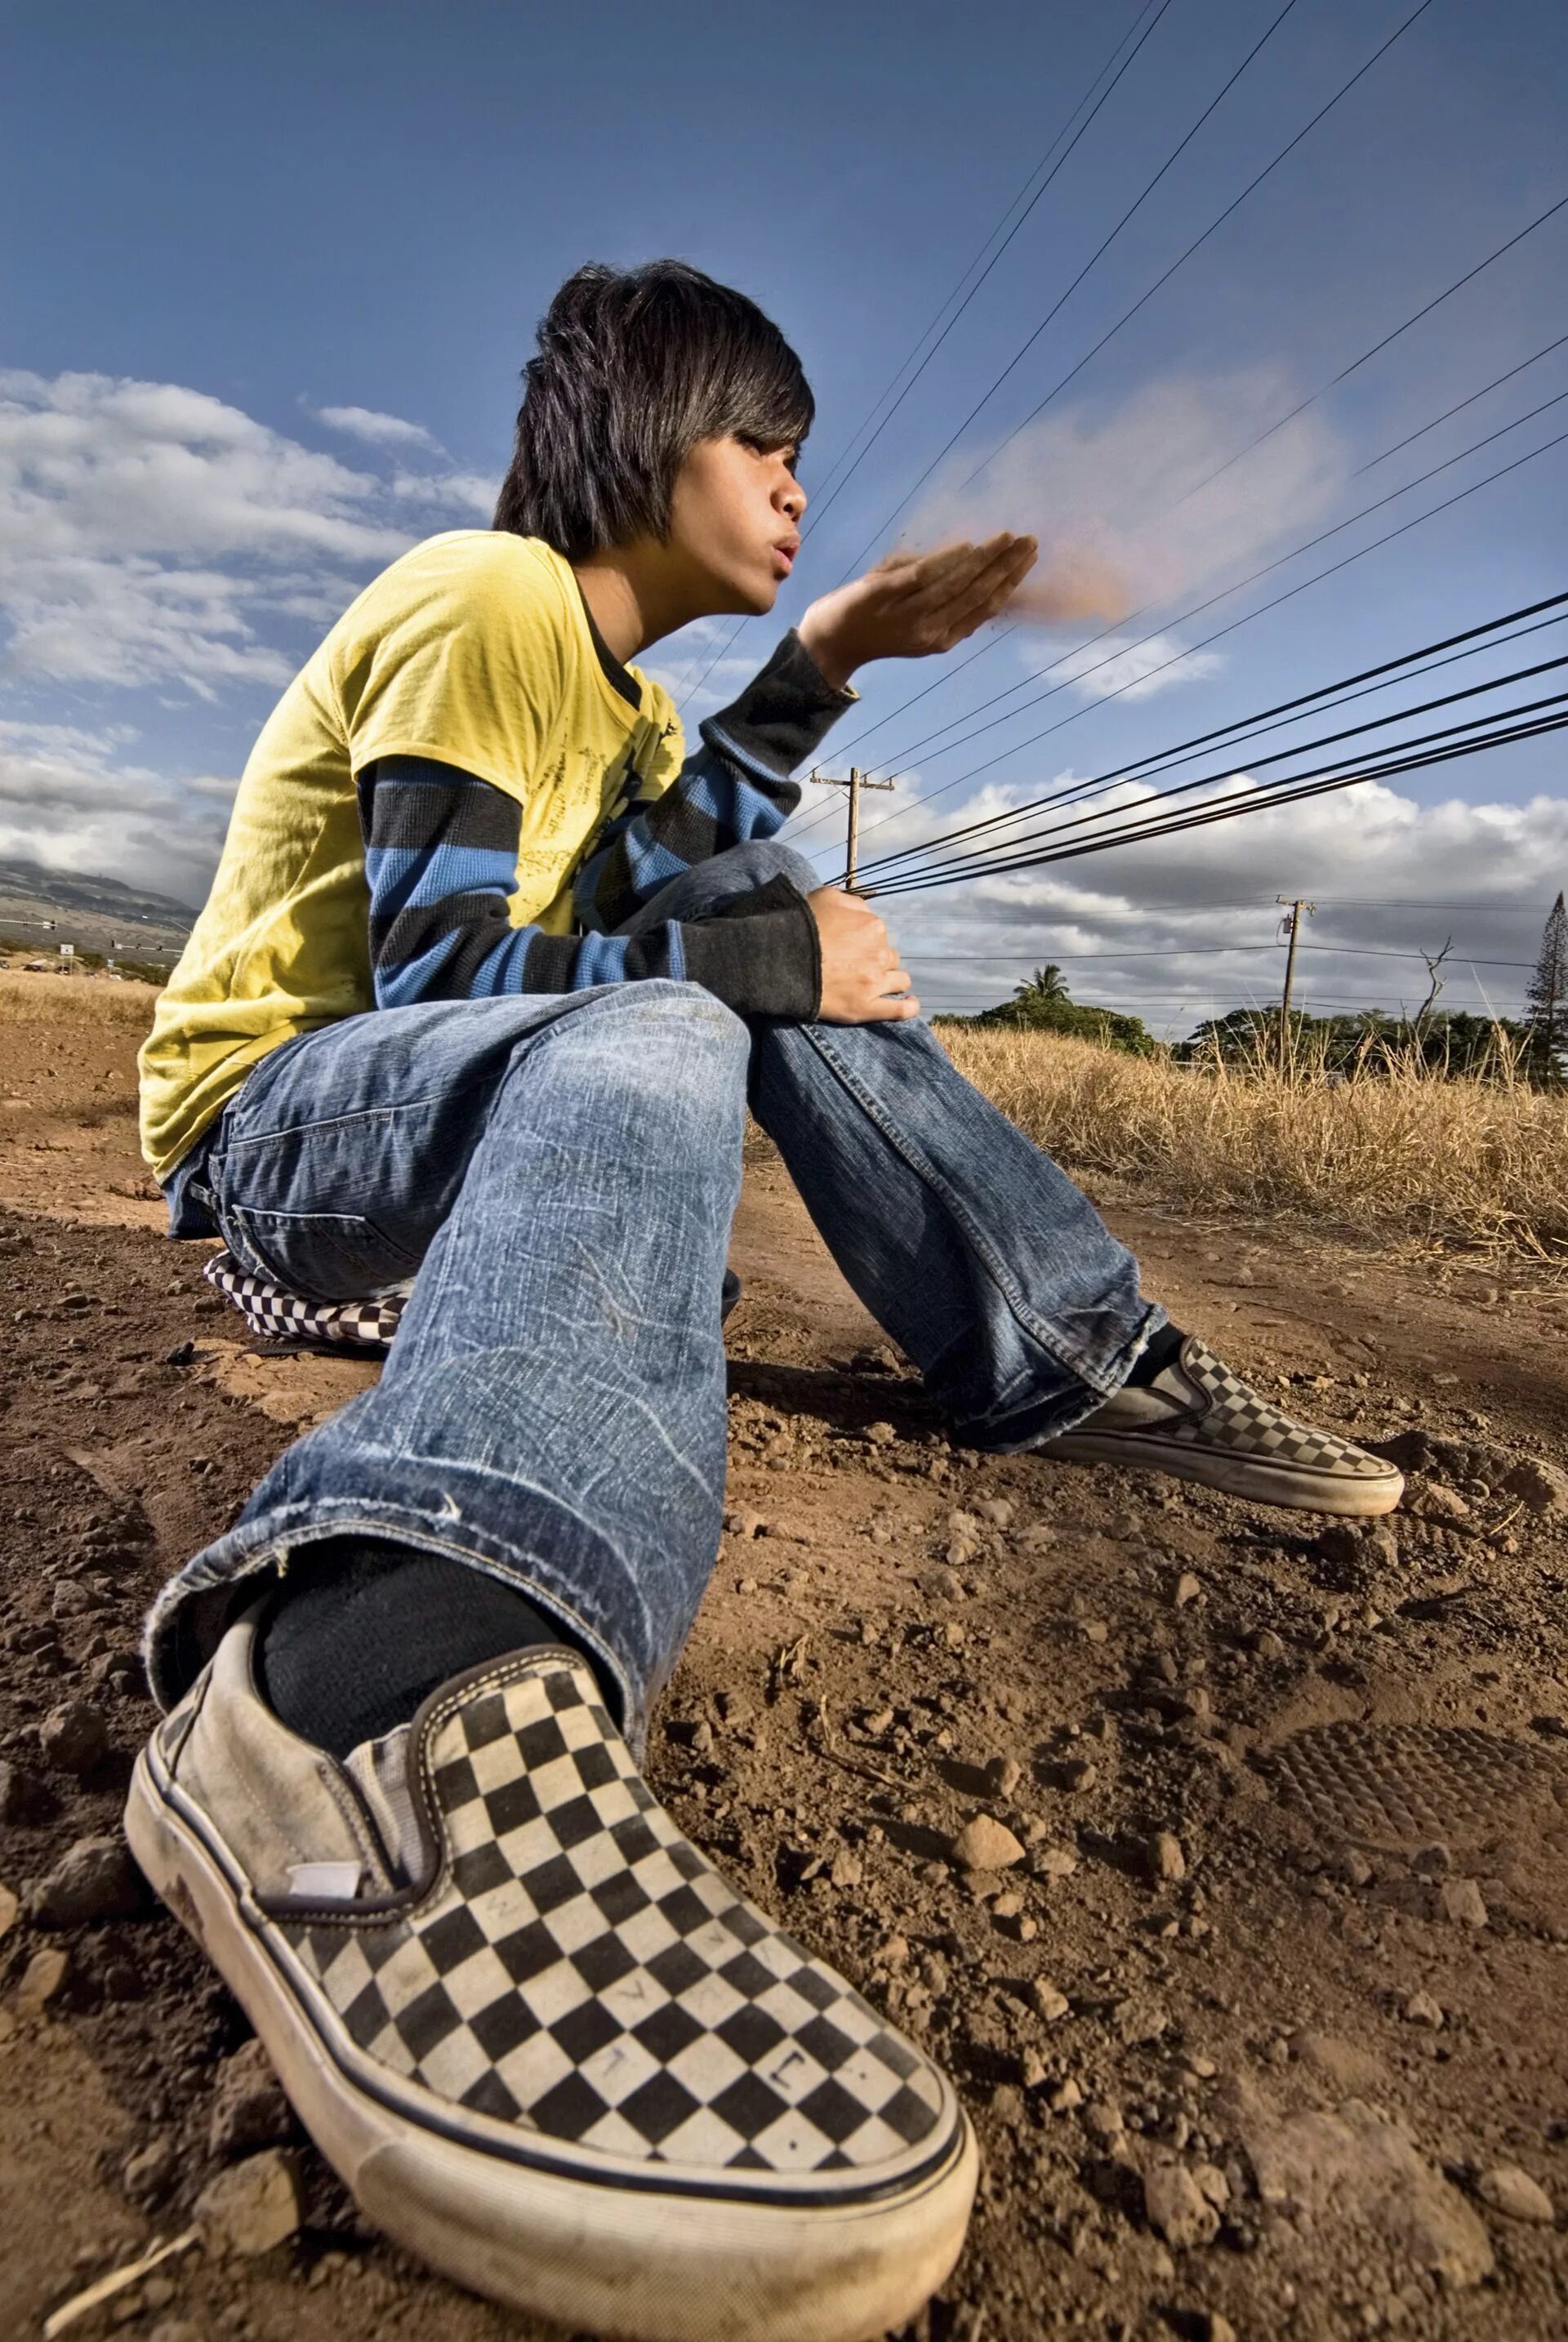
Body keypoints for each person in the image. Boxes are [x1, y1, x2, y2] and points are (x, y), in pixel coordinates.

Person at [128, 260, 1401, 2342]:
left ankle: (1060, 1350)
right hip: (277, 1127)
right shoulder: (486, 598)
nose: (805, 486)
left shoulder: (612, 692)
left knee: (744, 921)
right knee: (667, 1024)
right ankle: (378, 1659)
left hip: (420, 1117)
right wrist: (767, 972)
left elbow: (678, 862)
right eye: (769, 446)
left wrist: (824, 661)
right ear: (645, 438)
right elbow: (460, 991)